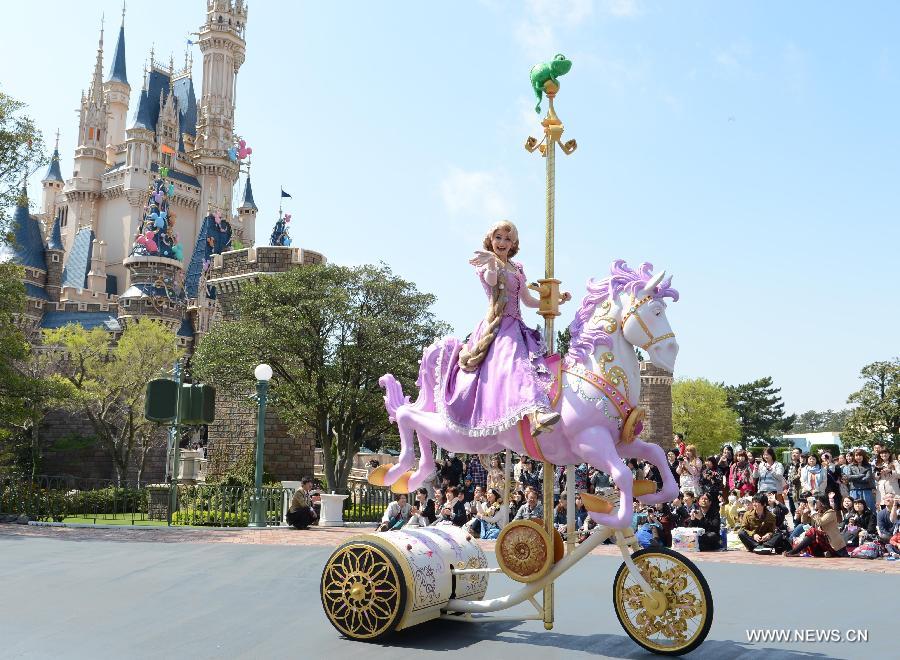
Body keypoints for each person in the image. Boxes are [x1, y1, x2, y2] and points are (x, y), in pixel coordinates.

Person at [438, 221, 571, 438]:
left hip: (516, 326)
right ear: (491, 239)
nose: (502, 242)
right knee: (517, 363)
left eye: (507, 239)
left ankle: (544, 409)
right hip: (498, 327)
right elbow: (491, 282)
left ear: (514, 243)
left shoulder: (517, 268)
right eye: (498, 237)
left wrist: (555, 300)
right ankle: (535, 414)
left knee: (539, 362)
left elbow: (527, 300)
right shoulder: (487, 264)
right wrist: (491, 263)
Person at [784, 495, 848, 557]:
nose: (814, 503)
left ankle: (794, 552)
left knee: (813, 531)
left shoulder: (831, 512)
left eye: (815, 502)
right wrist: (805, 512)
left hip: (834, 545)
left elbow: (820, 522)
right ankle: (821, 553)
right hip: (823, 543)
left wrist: (812, 509)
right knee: (808, 535)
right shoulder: (817, 513)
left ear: (822, 503)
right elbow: (804, 522)